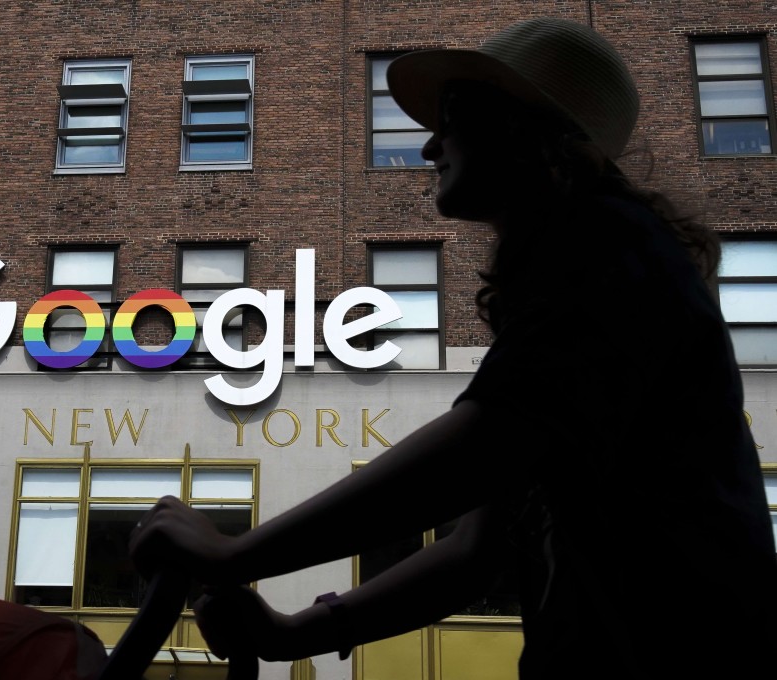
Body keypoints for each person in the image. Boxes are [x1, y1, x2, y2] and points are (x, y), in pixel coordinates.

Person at [129, 17, 777, 679]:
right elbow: (474, 549)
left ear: (528, 126)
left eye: (453, 113)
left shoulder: (613, 248)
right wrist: (296, 632)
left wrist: (233, 556)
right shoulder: (603, 264)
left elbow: (482, 450)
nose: (428, 147)